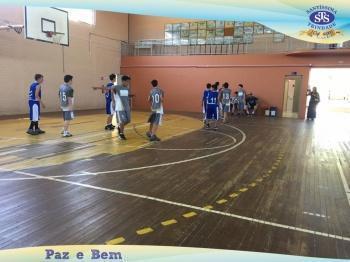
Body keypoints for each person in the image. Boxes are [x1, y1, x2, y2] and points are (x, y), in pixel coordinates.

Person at [112, 75, 131, 140]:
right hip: (119, 108)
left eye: (129, 82)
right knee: (122, 121)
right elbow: (110, 89)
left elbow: (126, 98)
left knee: (128, 120)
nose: (128, 83)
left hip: (126, 108)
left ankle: (119, 127)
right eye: (127, 82)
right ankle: (121, 134)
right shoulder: (117, 87)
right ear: (123, 81)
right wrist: (113, 101)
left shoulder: (127, 88)